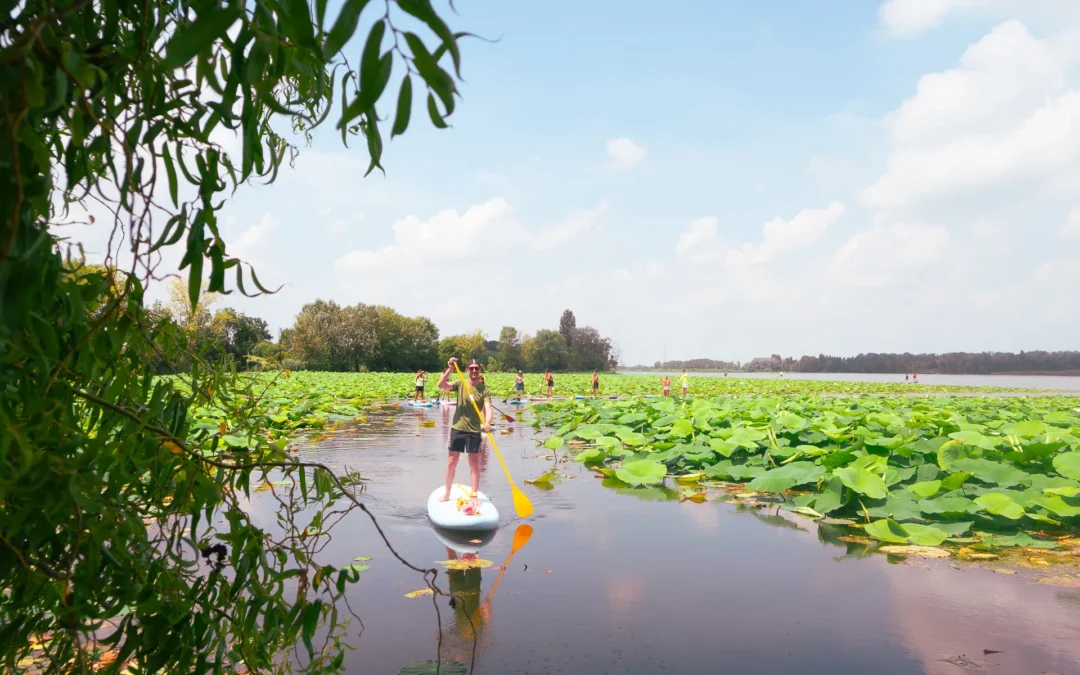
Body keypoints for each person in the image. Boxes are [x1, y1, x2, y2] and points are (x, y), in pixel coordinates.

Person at [436, 357, 492, 501]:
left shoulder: (484, 389)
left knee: (474, 463)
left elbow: (488, 409)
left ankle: (474, 495)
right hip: (458, 428)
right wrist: (450, 369)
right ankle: (447, 493)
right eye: (471, 368)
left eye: (476, 368)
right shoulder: (460, 384)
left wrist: (488, 422)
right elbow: (441, 385)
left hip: (474, 431)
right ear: (467, 370)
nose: (474, 370)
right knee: (452, 461)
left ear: (479, 371)